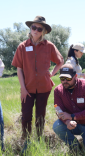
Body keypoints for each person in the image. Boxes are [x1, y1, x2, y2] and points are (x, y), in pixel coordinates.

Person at [12, 16, 64, 144]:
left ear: (44, 32)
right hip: (27, 88)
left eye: (39, 29)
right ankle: (26, 141)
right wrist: (23, 89)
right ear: (30, 29)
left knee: (40, 116)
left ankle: (39, 140)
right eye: (33, 27)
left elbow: (60, 61)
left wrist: (52, 73)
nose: (36, 30)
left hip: (44, 87)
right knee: (26, 116)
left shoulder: (49, 46)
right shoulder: (22, 46)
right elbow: (19, 69)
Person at [53, 64, 85, 152]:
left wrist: (72, 116)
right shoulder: (58, 91)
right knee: (57, 126)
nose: (65, 81)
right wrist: (67, 121)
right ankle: (75, 146)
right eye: (62, 78)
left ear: (75, 76)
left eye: (68, 78)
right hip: (72, 124)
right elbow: (58, 110)